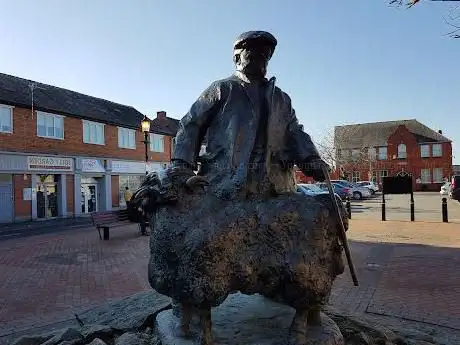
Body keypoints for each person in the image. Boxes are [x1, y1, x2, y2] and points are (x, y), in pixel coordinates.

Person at [170, 30, 328, 200]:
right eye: (253, 56)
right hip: (226, 181)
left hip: (275, 185)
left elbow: (295, 131)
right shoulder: (222, 89)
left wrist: (311, 159)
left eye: (264, 57)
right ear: (237, 58)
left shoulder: (281, 98)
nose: (261, 61)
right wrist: (182, 165)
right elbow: (191, 124)